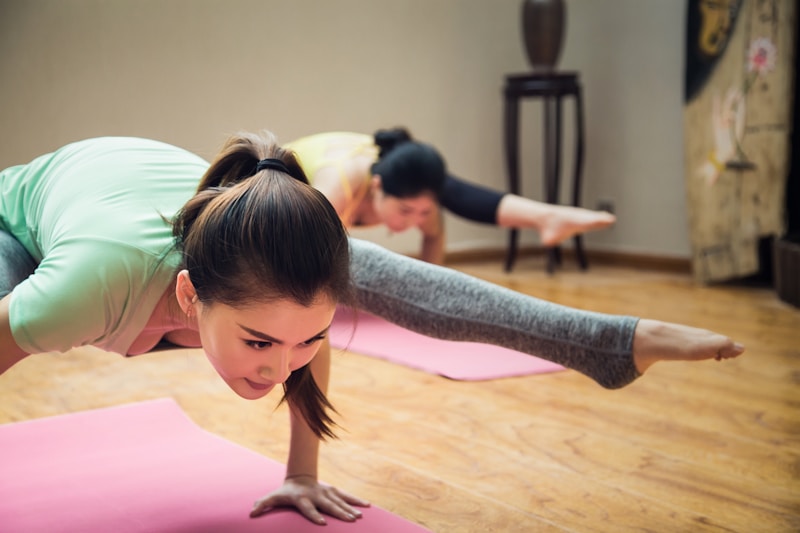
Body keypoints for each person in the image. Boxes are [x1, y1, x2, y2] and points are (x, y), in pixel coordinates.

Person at [0, 132, 744, 526]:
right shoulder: (78, 292)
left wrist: (301, 471)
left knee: (374, 271)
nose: (279, 368)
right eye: (260, 343)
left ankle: (611, 342)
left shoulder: (264, 265)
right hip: (20, 217)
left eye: (309, 342)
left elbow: (298, 334)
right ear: (189, 299)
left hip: (168, 205)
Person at [286, 129, 616, 264]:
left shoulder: (417, 200)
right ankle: (546, 216)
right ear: (376, 188)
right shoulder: (337, 186)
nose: (416, 222)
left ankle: (546, 216)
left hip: (394, 168)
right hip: (272, 180)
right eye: (405, 211)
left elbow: (432, 250)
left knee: (448, 188)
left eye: (423, 212)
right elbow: (302, 250)